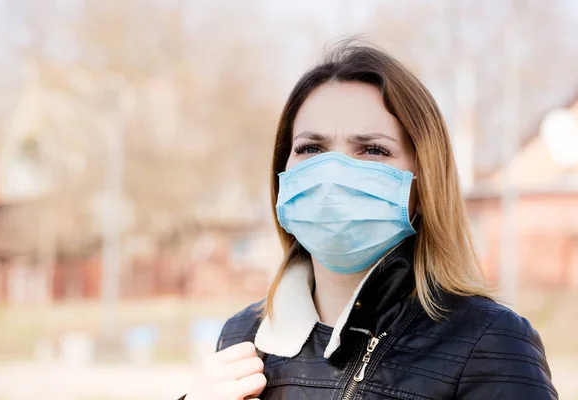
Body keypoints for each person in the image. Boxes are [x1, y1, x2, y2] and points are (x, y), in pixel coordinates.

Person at [180, 42, 558, 399]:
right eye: (311, 148)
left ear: (424, 183)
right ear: (283, 172)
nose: (333, 174)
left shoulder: (491, 343)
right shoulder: (244, 337)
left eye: (373, 150)